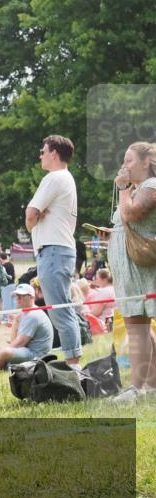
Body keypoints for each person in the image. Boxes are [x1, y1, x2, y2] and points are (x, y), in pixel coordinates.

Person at [26, 135, 81, 366]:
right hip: (59, 251)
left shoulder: (54, 177)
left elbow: (30, 215)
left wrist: (34, 221)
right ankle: (73, 362)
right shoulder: (65, 178)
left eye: (43, 151)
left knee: (61, 311)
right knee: (62, 309)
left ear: (54, 154)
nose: (40, 155)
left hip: (54, 251)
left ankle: (74, 366)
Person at [109, 142, 156, 403]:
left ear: (145, 163)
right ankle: (150, 386)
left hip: (142, 268)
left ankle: (137, 389)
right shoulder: (140, 188)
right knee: (139, 324)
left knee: (137, 325)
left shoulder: (150, 187)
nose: (124, 166)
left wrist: (124, 188)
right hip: (132, 270)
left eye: (129, 161)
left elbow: (132, 213)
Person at [0, 284, 55, 374]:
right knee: (5, 353)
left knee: (5, 352)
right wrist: (15, 322)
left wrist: (3, 353)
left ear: (31, 297)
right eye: (16, 296)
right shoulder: (26, 313)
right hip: (32, 352)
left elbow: (19, 343)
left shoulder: (32, 315)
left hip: (38, 356)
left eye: (21, 296)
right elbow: (15, 342)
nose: (18, 298)